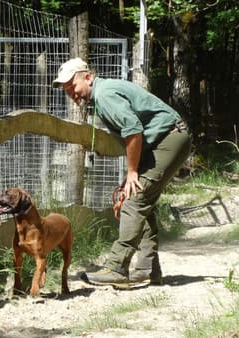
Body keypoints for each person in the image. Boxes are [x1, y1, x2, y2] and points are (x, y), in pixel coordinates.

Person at [52, 58, 191, 288]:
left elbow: (133, 130)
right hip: (162, 141)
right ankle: (148, 269)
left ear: (88, 77)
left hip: (169, 140)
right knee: (139, 198)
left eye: (73, 86)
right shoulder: (102, 94)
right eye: (66, 90)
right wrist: (132, 173)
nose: (71, 93)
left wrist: (133, 171)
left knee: (134, 200)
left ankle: (117, 267)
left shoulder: (104, 95)